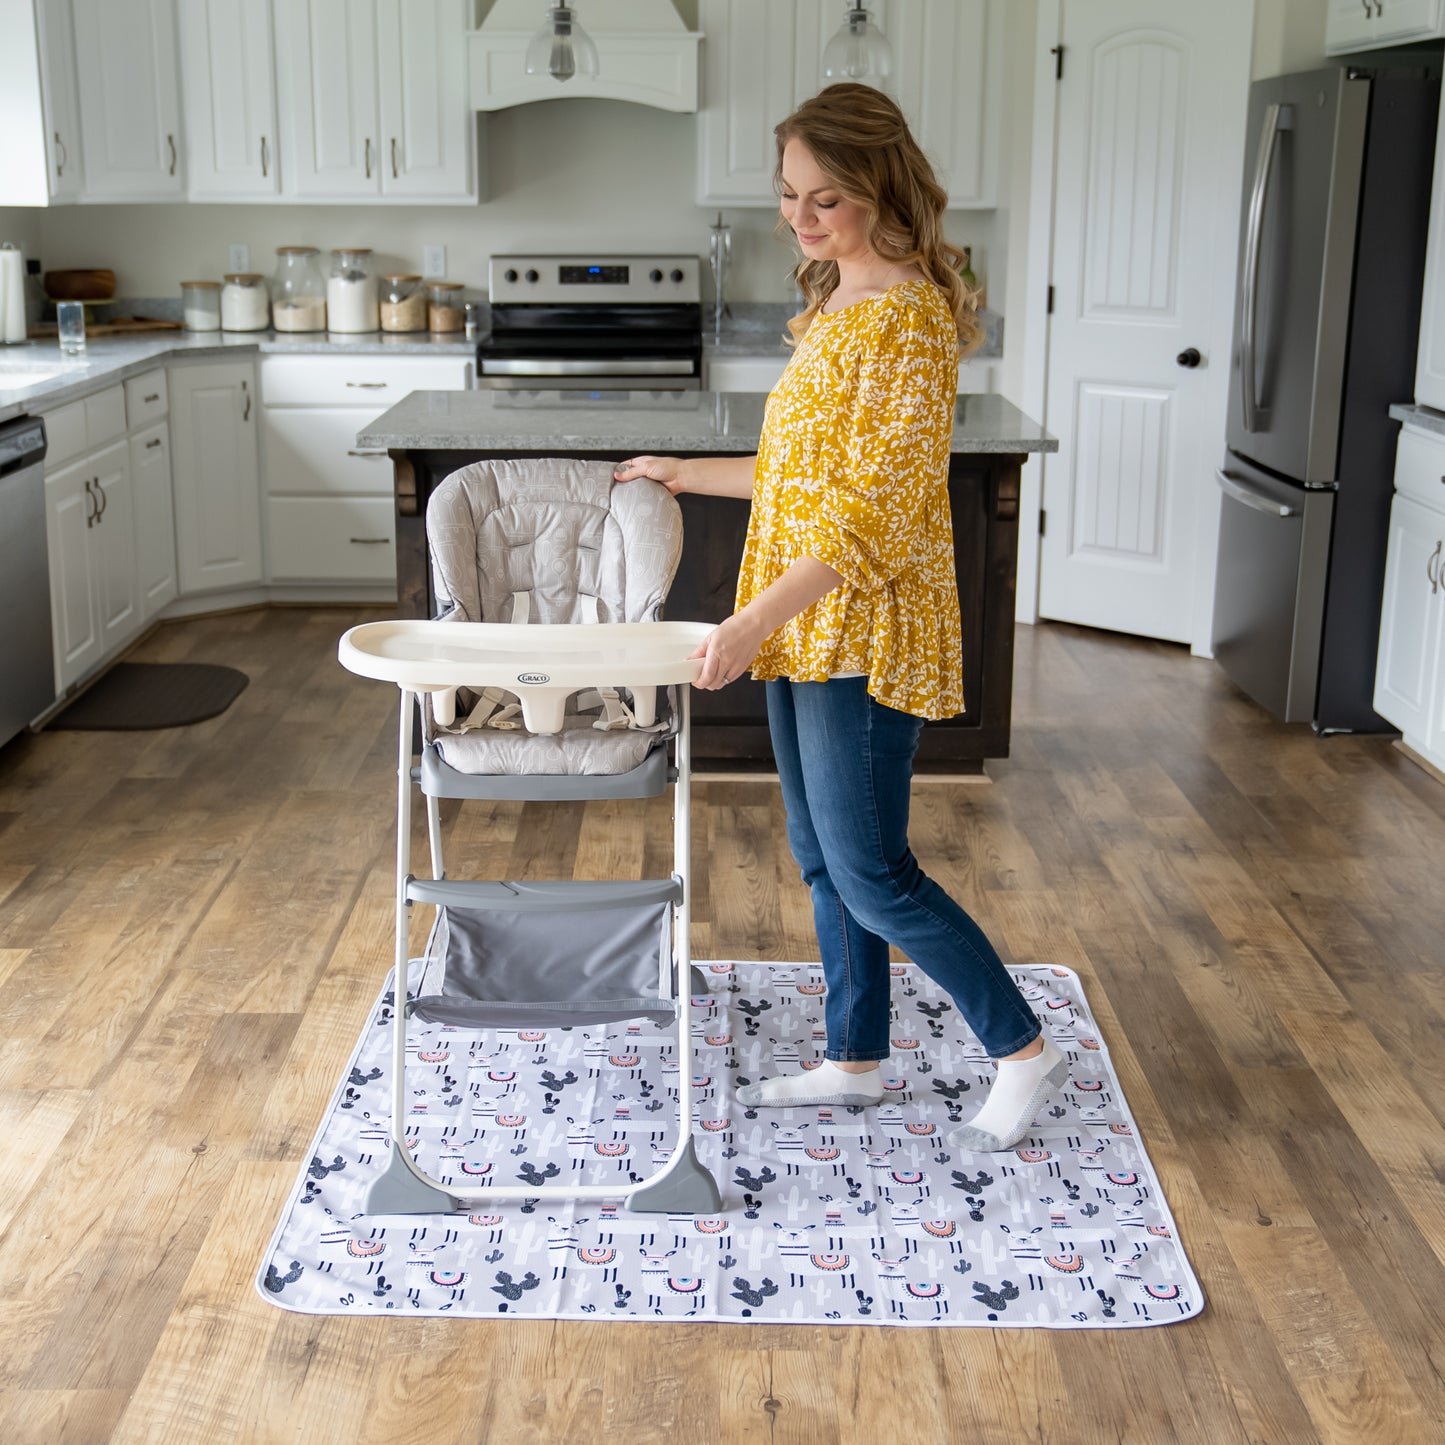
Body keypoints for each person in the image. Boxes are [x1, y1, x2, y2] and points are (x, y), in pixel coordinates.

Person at [614, 83, 1066, 1152]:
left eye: (824, 198)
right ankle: (855, 1056)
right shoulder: (831, 308)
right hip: (805, 621)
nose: (799, 218)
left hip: (859, 624)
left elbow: (868, 512)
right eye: (787, 194)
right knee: (820, 857)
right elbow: (800, 471)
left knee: (872, 868)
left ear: (876, 190)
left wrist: (742, 623)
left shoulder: (907, 321)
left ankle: (1021, 1049)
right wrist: (683, 471)